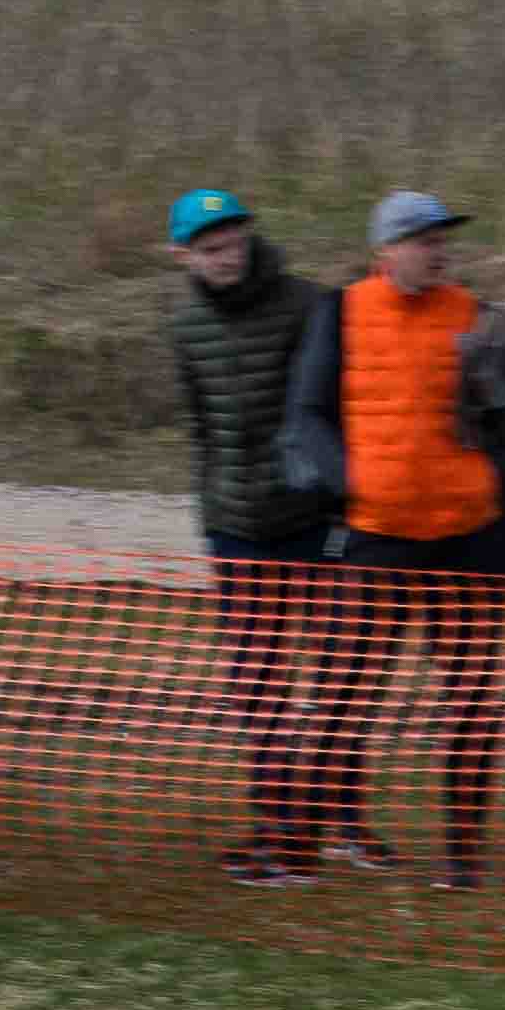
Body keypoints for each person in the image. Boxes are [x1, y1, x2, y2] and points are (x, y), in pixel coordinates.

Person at [280, 190, 505, 893]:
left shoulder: (476, 316)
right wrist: (351, 483)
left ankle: (463, 852)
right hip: (376, 537)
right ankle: (313, 837)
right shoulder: (339, 313)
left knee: (470, 699)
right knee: (345, 692)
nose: (439, 251)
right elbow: (306, 413)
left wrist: (497, 472)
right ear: (385, 250)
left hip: (467, 539)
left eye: (442, 239)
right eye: (423, 240)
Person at [161, 190, 350, 886]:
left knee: (336, 676)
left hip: (310, 522)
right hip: (235, 529)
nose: (227, 257)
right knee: (259, 685)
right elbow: (202, 427)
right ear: (185, 256)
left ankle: (338, 818)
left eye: (234, 242)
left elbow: (336, 409)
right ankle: (278, 825)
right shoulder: (186, 328)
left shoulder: (308, 305)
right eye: (211, 249)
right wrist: (213, 513)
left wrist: (338, 508)